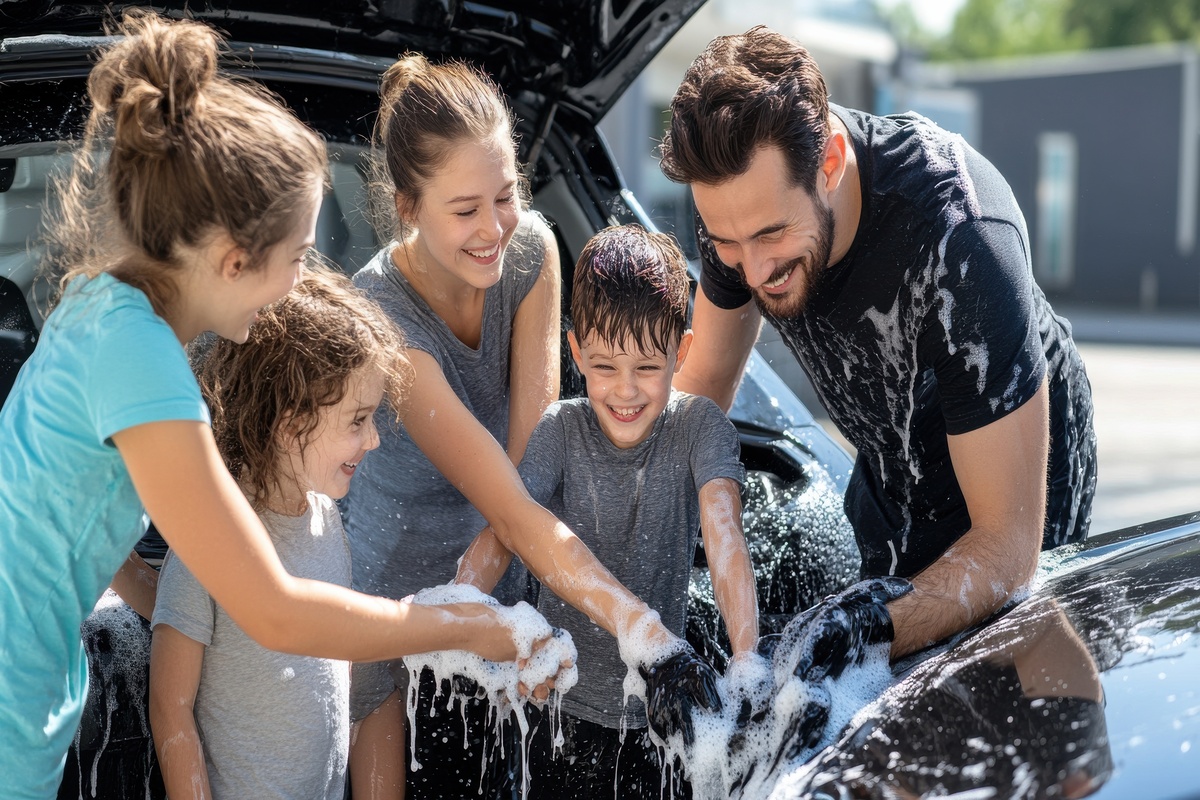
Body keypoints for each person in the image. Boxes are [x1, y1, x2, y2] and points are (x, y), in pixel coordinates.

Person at [0, 14, 551, 798]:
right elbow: (276, 613)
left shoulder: (103, 308)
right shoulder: (141, 358)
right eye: (295, 257)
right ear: (232, 260)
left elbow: (78, 528)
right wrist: (469, 625)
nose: (301, 283)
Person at [658, 27, 1097, 683]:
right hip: (891, 471)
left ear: (830, 160)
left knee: (983, 706)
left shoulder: (961, 238)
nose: (751, 269)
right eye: (727, 242)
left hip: (1018, 489)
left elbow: (1007, 551)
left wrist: (866, 631)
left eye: (772, 234)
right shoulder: (739, 201)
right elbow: (704, 387)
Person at [344, 54, 709, 798]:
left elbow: (528, 462)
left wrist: (498, 594)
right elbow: (512, 501)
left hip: (511, 576)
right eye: (465, 209)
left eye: (505, 196)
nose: (492, 229)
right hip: (395, 605)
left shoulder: (531, 252)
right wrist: (648, 636)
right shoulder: (381, 315)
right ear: (409, 206)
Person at [456, 224, 761, 798]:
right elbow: (507, 530)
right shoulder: (559, 431)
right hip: (555, 711)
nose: (625, 391)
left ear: (683, 350)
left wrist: (746, 663)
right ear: (574, 351)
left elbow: (726, 541)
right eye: (603, 366)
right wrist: (457, 611)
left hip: (655, 718)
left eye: (648, 367)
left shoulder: (699, 427)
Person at [149, 268, 409, 799]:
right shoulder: (215, 535)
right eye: (357, 420)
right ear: (292, 425)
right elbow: (169, 707)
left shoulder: (327, 518)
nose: (375, 439)